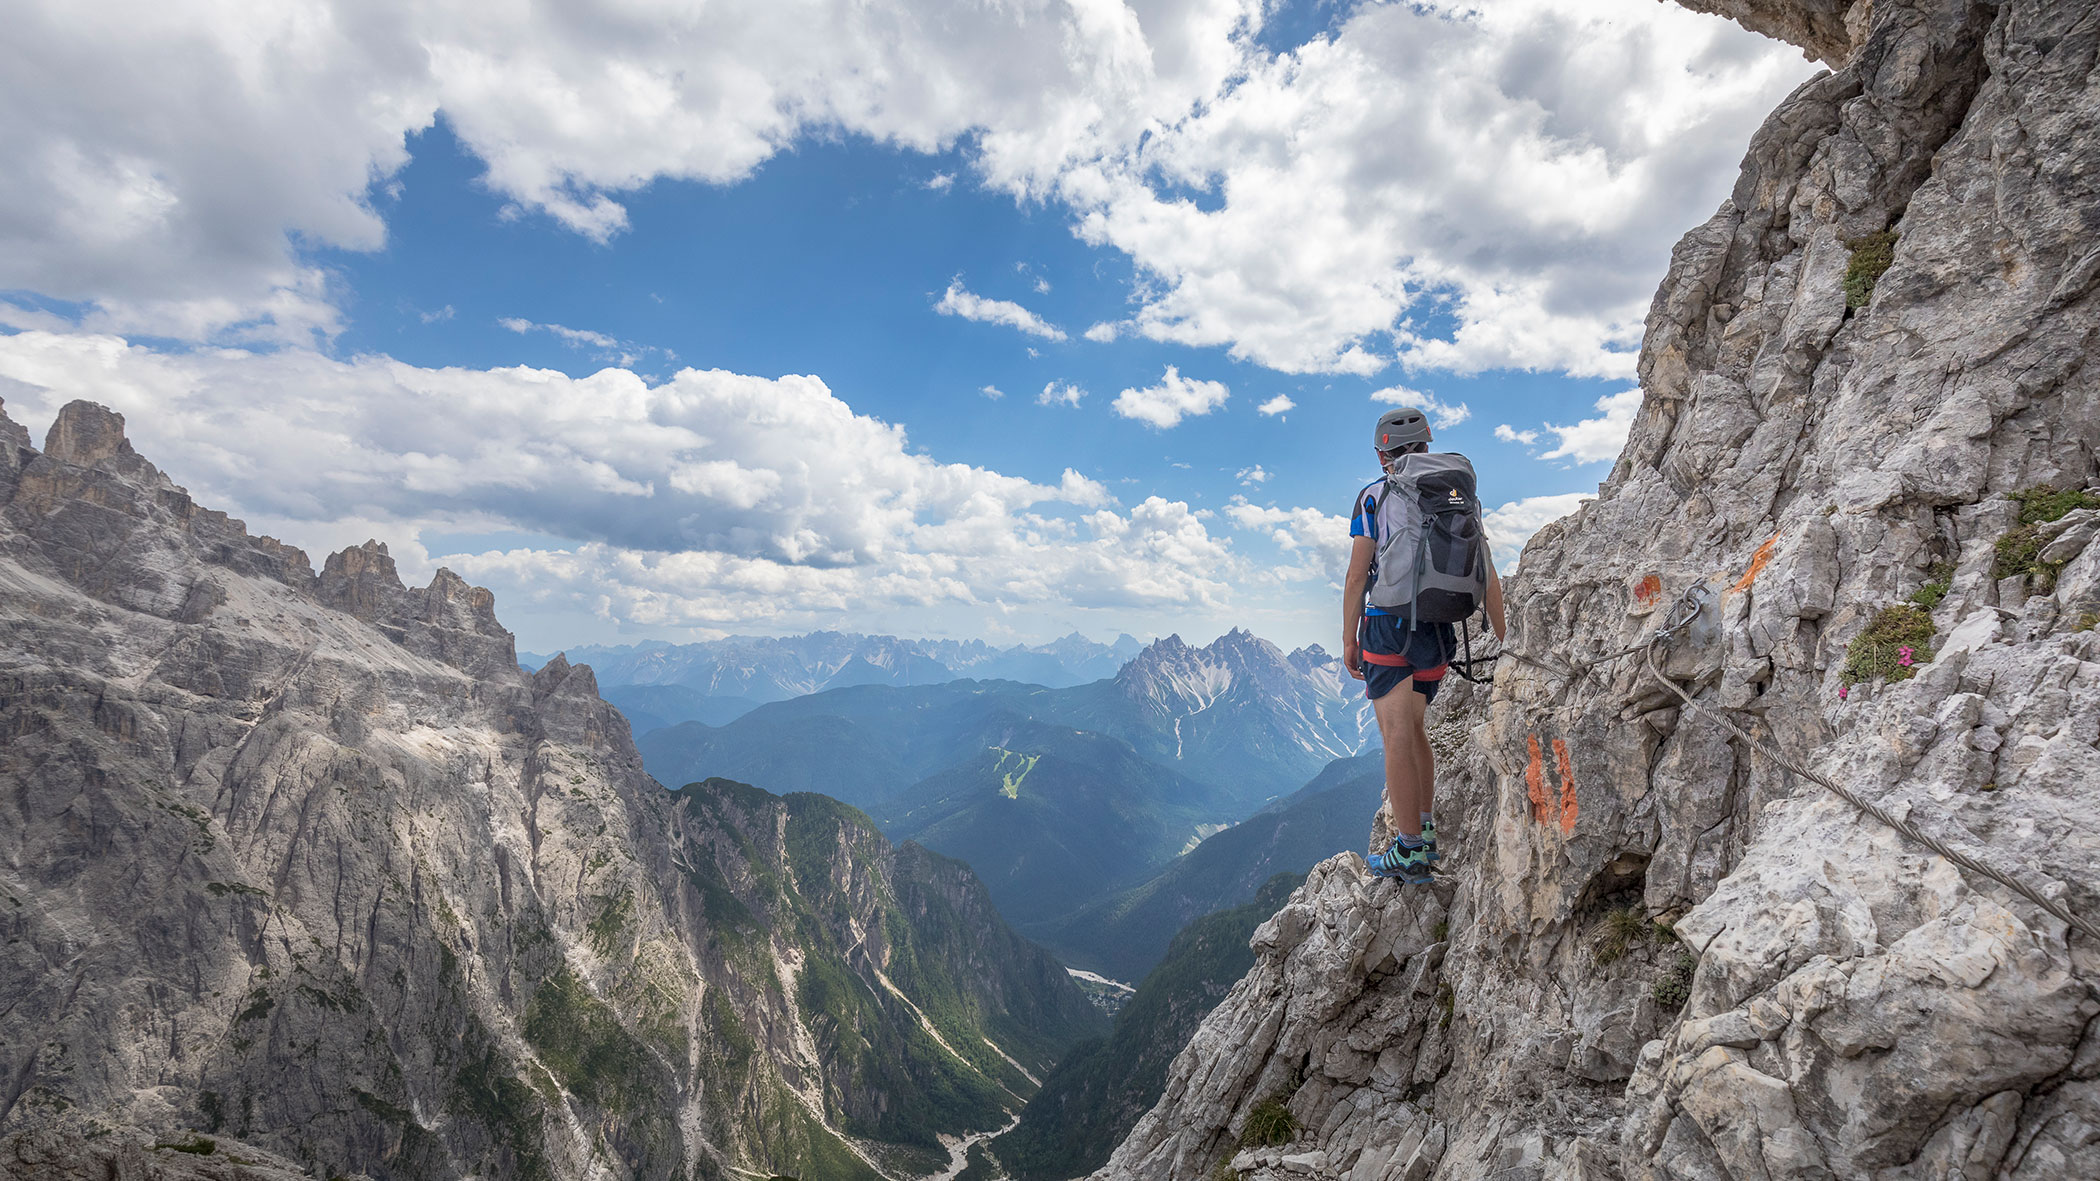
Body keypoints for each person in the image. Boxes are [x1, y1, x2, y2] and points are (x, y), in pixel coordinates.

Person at [1342, 406, 1506, 884]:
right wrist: (1506, 638)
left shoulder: (1375, 496)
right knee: (1416, 731)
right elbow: (1487, 569)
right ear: (1428, 447)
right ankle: (1426, 830)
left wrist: (1348, 639)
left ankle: (1409, 848)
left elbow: (1357, 575)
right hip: (1439, 626)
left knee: (1394, 735)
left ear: (1382, 454)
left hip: (1388, 626)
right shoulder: (1457, 495)